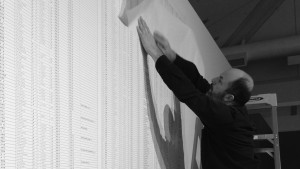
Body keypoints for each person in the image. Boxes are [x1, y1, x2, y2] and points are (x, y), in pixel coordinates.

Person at [137, 17, 260, 169]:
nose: (213, 80)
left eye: (220, 81)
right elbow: (198, 82)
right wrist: (172, 57)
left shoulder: (228, 118)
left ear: (229, 97)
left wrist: (156, 54)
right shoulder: (230, 105)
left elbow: (190, 94)